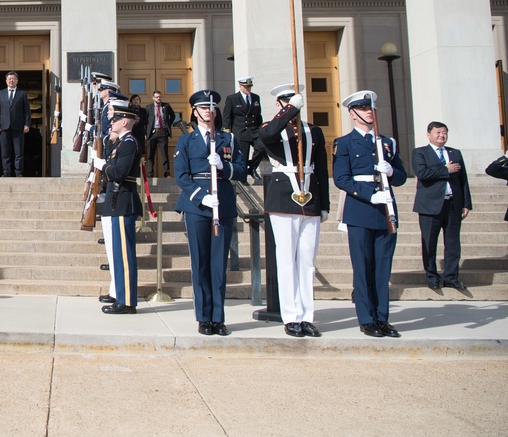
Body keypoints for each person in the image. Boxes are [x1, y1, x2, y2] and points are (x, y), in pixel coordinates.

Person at [333, 91, 407, 338]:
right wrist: (368, 193)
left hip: (385, 207)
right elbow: (341, 179)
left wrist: (391, 172)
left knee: (382, 268)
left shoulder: (387, 142)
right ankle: (366, 318)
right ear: (353, 114)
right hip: (360, 208)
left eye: (371, 108)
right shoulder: (344, 143)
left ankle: (382, 318)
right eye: (364, 109)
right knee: (363, 268)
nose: (369, 112)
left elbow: (402, 176)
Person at [257, 84, 329, 338]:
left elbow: (321, 168)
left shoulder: (314, 132)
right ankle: (290, 317)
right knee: (286, 260)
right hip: (282, 197)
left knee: (307, 262)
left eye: (295, 100)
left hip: (309, 198)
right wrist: (290, 110)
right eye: (285, 102)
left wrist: (325, 205)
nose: (292, 105)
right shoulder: (271, 128)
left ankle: (307, 316)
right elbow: (267, 137)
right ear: (279, 105)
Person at [173, 89, 245, 336]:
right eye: (203, 108)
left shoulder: (228, 139)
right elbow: (181, 175)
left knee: (218, 266)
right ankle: (204, 317)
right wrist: (201, 195)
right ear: (195, 111)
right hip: (197, 206)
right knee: (201, 263)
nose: (208, 111)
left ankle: (218, 317)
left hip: (222, 204)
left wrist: (224, 166)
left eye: (211, 108)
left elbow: (243, 170)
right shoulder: (186, 141)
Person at [91, 103, 142, 314]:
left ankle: (127, 301)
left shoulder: (129, 143)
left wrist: (102, 165)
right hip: (115, 201)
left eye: (114, 120)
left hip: (123, 201)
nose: (111, 123)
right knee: (118, 255)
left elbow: (119, 172)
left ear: (124, 122)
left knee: (124, 256)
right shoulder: (120, 143)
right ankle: (120, 294)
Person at [412, 121, 471, 292]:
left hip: (453, 203)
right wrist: (445, 170)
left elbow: (463, 180)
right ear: (429, 134)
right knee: (429, 243)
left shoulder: (454, 153)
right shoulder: (420, 152)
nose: (441, 135)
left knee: (453, 243)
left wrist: (466, 203)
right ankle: (432, 277)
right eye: (437, 132)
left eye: (444, 132)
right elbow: (422, 173)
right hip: (429, 206)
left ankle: (451, 277)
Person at [224, 76, 263, 182]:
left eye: (250, 86)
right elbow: (227, 116)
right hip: (240, 131)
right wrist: (227, 132)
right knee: (243, 155)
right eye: (246, 87)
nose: (248, 89)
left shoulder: (255, 97)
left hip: (254, 130)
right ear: (240, 86)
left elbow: (258, 115)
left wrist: (261, 129)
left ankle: (252, 167)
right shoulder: (232, 98)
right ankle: (243, 174)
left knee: (261, 147)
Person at [0, 71, 31, 177]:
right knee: (5, 151)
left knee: (18, 152)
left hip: (18, 127)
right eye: (9, 79)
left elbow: (27, 111)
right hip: (4, 127)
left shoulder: (22, 93)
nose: (11, 80)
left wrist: (27, 124)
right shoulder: (0, 93)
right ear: (6, 81)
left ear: (17, 81)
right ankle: (6, 172)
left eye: (13, 79)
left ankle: (18, 172)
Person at [145, 91, 175, 178]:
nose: (159, 98)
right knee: (150, 154)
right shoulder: (149, 107)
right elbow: (145, 121)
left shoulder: (166, 106)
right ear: (153, 98)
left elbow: (172, 116)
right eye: (157, 97)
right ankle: (150, 173)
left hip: (162, 132)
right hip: (152, 133)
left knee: (164, 154)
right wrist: (146, 132)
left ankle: (167, 173)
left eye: (159, 97)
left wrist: (168, 124)